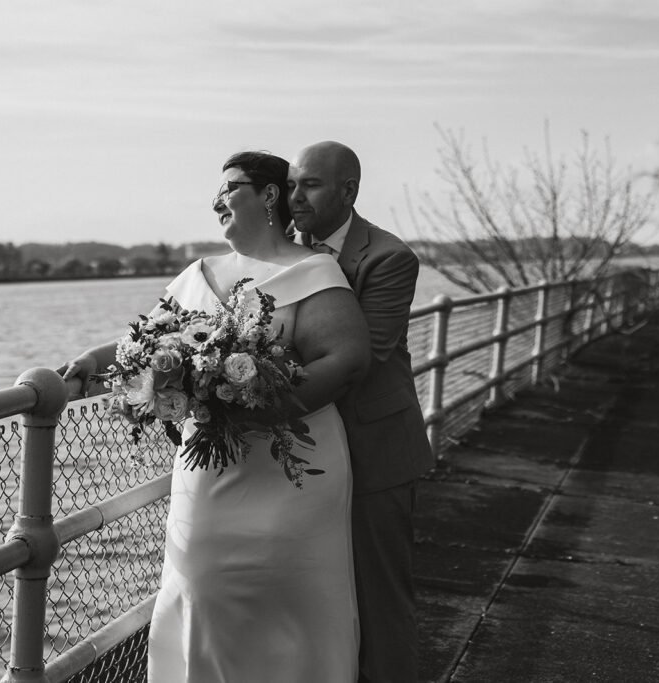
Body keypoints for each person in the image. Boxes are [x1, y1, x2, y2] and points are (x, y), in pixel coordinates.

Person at [60, 151, 371, 683]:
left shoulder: (313, 273)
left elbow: (347, 359)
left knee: (288, 595)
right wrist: (92, 361)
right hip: (207, 475)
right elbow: (144, 346)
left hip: (291, 471)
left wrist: (268, 406)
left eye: (227, 189)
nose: (215, 202)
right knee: (200, 584)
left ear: (268, 194)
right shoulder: (194, 277)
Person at [287, 141, 435, 683]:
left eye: (310, 184)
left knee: (380, 596)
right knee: (315, 591)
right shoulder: (279, 250)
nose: (294, 196)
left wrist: (255, 382)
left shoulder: (388, 257)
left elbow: (364, 356)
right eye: (292, 183)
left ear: (348, 190)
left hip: (374, 449)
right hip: (301, 452)